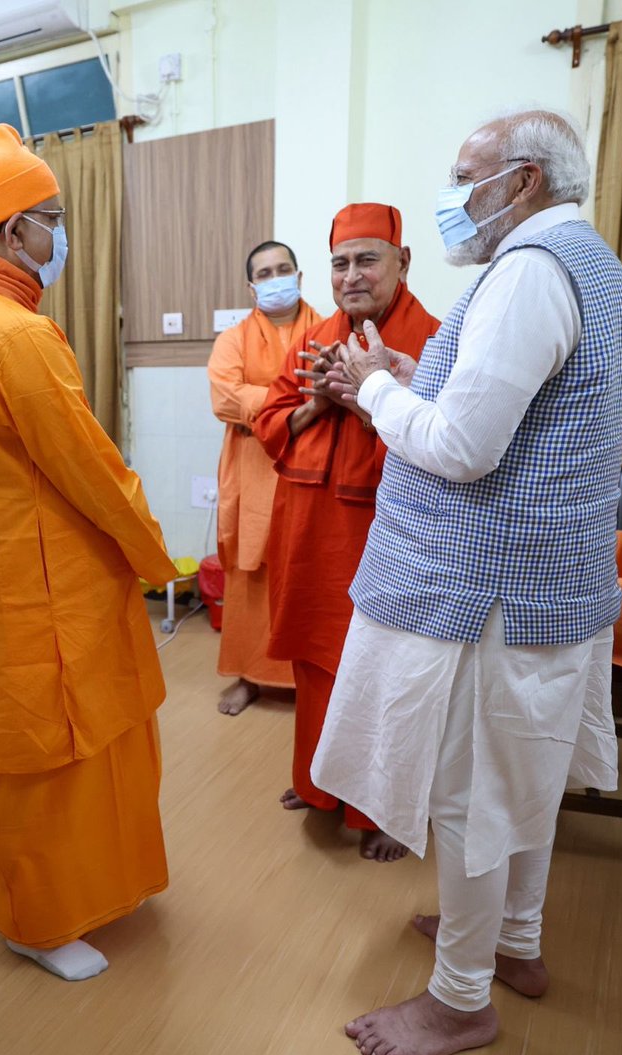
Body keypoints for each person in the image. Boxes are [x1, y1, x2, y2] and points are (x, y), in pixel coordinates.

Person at [312, 111, 622, 1055]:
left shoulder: (529, 272)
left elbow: (460, 447)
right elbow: (523, 404)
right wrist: (419, 372)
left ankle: (462, 1001)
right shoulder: (590, 263)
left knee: (473, 795)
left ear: (523, 180)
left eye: (465, 178)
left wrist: (374, 386)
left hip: (493, 590)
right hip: (556, 578)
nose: (454, 196)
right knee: (521, 782)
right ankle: (516, 945)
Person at [0, 124, 176, 982]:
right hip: (38, 593)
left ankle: (90, 893)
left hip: (2, 582)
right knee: (48, 767)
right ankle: (38, 921)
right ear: (15, 232)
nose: (61, 239)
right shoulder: (11, 333)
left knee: (66, 760)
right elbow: (93, 470)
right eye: (55, 219)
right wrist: (157, 553)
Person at [253, 204, 439, 860]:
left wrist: (368, 401)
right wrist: (317, 403)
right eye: (340, 262)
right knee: (314, 662)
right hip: (308, 531)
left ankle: (385, 810)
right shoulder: (317, 336)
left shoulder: (432, 339)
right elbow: (270, 421)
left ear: (402, 262)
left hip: (382, 537)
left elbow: (443, 450)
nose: (351, 275)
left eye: (367, 259)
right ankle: (318, 782)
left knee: (385, 672)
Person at [207, 240, 318, 716]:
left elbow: (336, 384)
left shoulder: (329, 330)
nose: (276, 279)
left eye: (284, 269)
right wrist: (297, 404)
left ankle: (309, 681)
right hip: (252, 473)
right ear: (252, 286)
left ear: (299, 274)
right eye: (265, 273)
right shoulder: (233, 339)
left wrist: (259, 404)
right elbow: (223, 397)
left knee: (309, 571)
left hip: (312, 469)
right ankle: (249, 676)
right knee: (248, 574)